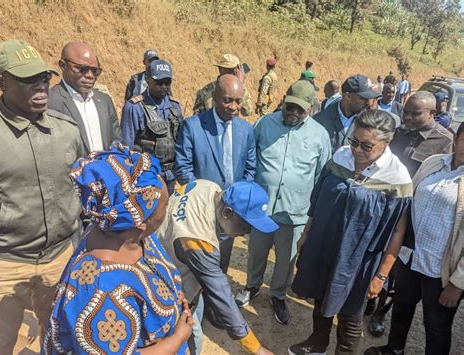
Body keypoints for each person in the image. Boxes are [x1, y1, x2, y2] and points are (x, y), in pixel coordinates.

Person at [43, 143, 192, 354]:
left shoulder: (126, 233)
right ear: (141, 220)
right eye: (165, 205)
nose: (167, 208)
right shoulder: (100, 292)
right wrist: (176, 340)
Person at [288, 110, 412, 355]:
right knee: (321, 295)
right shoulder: (340, 158)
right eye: (354, 141)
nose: (357, 150)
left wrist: (381, 275)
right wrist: (305, 235)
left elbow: (398, 231)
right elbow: (317, 200)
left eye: (366, 145)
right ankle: (317, 343)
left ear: (386, 144)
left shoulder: (396, 177)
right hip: (324, 243)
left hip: (360, 257)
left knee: (350, 312)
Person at [0, 39, 84, 354]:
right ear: (0, 82)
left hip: (61, 260)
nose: (41, 86)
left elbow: (84, 190)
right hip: (4, 267)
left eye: (44, 78)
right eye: (28, 80)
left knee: (60, 339)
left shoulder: (66, 130)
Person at [235, 80, 331, 325]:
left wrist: (315, 214)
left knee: (286, 260)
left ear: (311, 108)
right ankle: (252, 286)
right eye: (290, 107)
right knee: (256, 252)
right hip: (261, 210)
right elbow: (250, 159)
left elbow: (321, 177)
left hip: (294, 212)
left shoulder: (319, 135)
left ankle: (278, 295)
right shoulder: (264, 124)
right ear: (284, 100)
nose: (293, 113)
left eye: (300, 110)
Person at [365, 123, 464, 355]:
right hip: (411, 257)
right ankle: (394, 348)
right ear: (457, 138)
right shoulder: (434, 162)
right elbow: (409, 199)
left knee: (436, 325)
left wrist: (458, 284)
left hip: (440, 271)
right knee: (402, 307)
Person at [158, 179, 276, 355]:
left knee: (195, 323)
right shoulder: (197, 240)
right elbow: (222, 297)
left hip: (176, 262)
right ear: (228, 212)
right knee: (188, 334)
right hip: (170, 287)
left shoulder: (207, 186)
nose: (248, 233)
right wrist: (257, 349)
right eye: (247, 226)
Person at [174, 74, 256, 273]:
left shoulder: (246, 130)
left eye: (238, 101)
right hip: (200, 213)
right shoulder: (193, 126)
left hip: (229, 214)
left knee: (220, 268)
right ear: (215, 96)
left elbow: (250, 168)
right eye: (227, 100)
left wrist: (236, 202)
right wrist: (205, 200)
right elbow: (182, 167)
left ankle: (212, 304)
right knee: (197, 270)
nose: (234, 107)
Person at [121, 59, 182, 195]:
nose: (164, 86)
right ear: (147, 80)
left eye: (168, 82)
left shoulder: (175, 106)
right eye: (159, 83)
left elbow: (179, 141)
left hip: (171, 176)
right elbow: (126, 147)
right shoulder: (134, 108)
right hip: (146, 177)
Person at [49, 41, 122, 155]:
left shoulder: (105, 101)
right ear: (63, 65)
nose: (90, 75)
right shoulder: (50, 102)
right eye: (82, 69)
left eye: (95, 71)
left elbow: (117, 141)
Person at [390, 91, 453, 177]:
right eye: (406, 112)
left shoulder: (445, 141)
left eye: (416, 114)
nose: (408, 117)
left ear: (432, 113)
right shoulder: (399, 132)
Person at [313, 74, 380, 152]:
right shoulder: (320, 121)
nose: (367, 102)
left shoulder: (370, 121)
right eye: (363, 98)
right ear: (348, 96)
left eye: (368, 98)